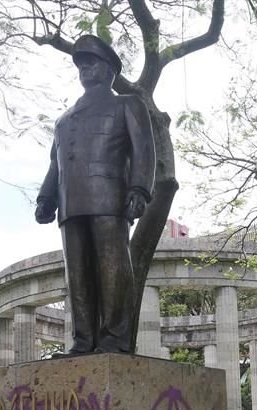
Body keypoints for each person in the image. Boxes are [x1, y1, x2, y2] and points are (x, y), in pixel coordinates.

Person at [35, 34, 156, 355]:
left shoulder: (127, 104)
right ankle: (83, 341)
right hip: (70, 205)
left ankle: (114, 339)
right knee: (77, 276)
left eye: (93, 63)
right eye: (82, 65)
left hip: (110, 199)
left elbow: (144, 150)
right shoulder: (63, 120)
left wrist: (140, 188)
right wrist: (46, 197)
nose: (86, 69)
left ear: (109, 70)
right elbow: (55, 163)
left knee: (113, 269)